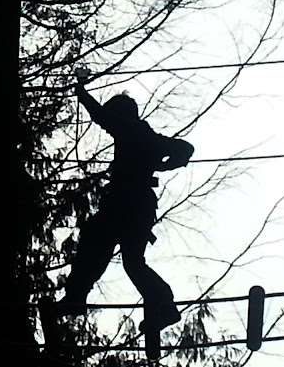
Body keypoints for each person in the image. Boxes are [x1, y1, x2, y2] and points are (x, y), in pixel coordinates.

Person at [57, 68, 194, 333]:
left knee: (93, 247)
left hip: (123, 204)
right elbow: (185, 148)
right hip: (140, 205)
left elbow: (100, 116)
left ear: (120, 114)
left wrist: (81, 91)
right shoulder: (149, 136)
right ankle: (163, 304)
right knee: (133, 261)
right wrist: (167, 165)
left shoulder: (128, 127)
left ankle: (75, 298)